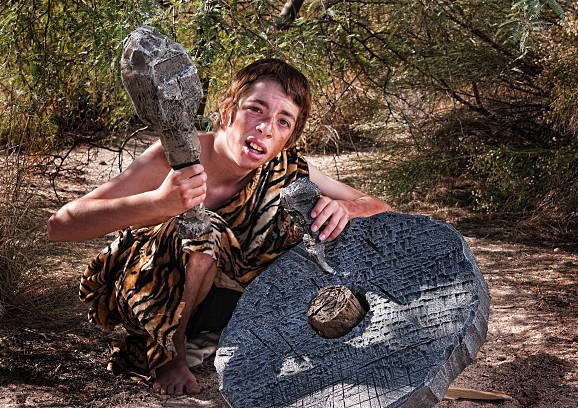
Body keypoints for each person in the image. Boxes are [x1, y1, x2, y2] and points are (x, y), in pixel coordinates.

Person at [47, 58, 391, 396]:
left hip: (223, 304)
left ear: (287, 139)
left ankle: (232, 338)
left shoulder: (286, 167)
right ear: (227, 111)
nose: (266, 127)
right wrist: (158, 203)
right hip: (150, 295)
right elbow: (60, 226)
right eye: (256, 109)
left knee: (304, 219)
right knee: (202, 227)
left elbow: (380, 207)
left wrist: (346, 207)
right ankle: (171, 354)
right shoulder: (175, 157)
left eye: (283, 122)